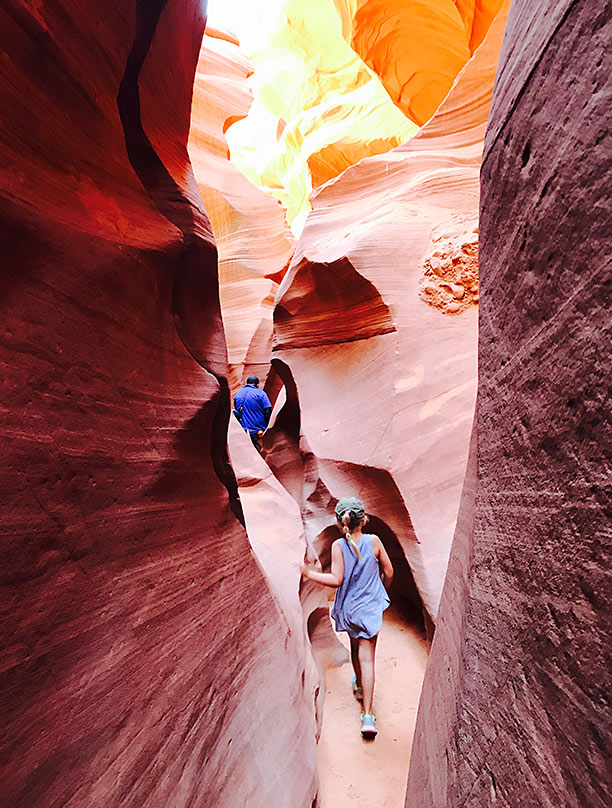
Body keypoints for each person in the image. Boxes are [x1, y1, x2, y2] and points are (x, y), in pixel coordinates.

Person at [300, 496, 393, 738]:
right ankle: (368, 716)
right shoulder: (374, 541)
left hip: (350, 608)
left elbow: (336, 579)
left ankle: (360, 686)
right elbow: (389, 572)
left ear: (342, 523)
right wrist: (381, 588)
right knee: (369, 658)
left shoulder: (339, 546)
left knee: (355, 646)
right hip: (370, 606)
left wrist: (308, 574)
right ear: (364, 520)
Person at [232, 376, 272, 451]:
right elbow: (267, 411)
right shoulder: (260, 393)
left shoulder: (238, 393)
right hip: (259, 429)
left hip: (243, 430)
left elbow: (237, 411)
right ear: (257, 385)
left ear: (246, 383)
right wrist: (268, 427)